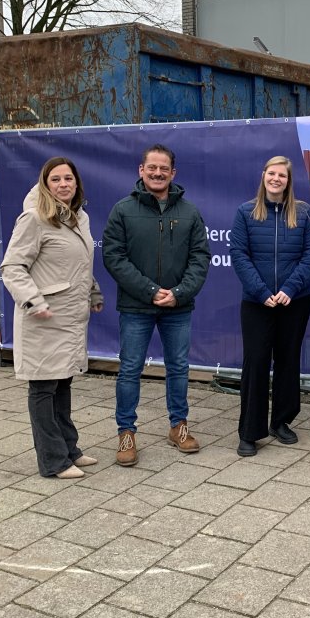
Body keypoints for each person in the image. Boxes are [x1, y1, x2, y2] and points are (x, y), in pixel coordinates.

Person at [103, 144, 211, 467]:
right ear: (141, 170)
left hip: (178, 307)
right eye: (152, 167)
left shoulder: (190, 212)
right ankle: (126, 433)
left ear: (173, 173)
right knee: (130, 369)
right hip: (136, 306)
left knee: (178, 367)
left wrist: (178, 292)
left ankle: (178, 426)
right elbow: (113, 257)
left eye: (164, 168)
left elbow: (200, 259)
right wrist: (150, 290)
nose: (158, 173)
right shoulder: (122, 210)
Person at [1, 157, 103, 479]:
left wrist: (94, 293)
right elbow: (12, 268)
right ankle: (53, 461)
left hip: (70, 318)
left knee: (62, 384)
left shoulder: (78, 218)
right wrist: (34, 302)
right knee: (43, 389)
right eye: (55, 179)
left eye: (68, 179)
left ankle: (70, 450)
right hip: (44, 318)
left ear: (77, 183)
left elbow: (80, 265)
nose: (63, 185)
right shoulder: (34, 218)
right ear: (45, 184)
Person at [229, 156, 310, 457]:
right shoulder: (245, 213)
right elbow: (239, 255)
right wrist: (261, 291)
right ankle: (250, 432)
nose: (276, 179)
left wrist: (289, 289)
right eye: (272, 173)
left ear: (289, 180)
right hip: (257, 303)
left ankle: (281, 422)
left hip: (294, 302)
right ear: (264, 176)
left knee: (287, 360)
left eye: (282, 175)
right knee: (256, 362)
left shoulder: (305, 214)